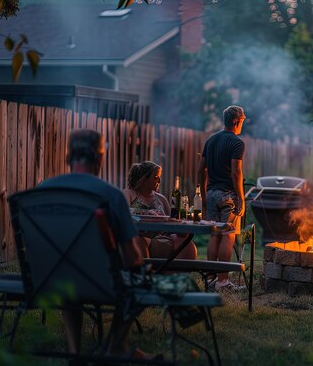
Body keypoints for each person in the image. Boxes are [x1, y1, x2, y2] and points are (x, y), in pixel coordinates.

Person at [37, 129, 148, 359]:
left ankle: (74, 352)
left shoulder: (43, 191)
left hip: (50, 278)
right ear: (99, 158)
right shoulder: (111, 196)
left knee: (68, 270)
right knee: (141, 277)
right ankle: (114, 347)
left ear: (69, 158)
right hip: (102, 282)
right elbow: (133, 258)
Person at [198, 105, 246, 292]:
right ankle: (223, 281)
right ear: (236, 121)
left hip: (211, 194)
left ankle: (210, 279)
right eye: (242, 120)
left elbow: (200, 169)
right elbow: (236, 173)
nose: (242, 123)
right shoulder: (237, 143)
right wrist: (241, 199)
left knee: (214, 235)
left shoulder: (211, 140)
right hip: (228, 196)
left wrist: (203, 196)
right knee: (228, 235)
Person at [122, 161, 197, 260]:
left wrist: (177, 224)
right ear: (144, 179)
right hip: (141, 235)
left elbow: (169, 220)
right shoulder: (129, 194)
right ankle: (145, 272)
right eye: (156, 177)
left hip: (163, 236)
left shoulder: (161, 199)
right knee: (137, 240)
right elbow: (124, 213)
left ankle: (176, 274)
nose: (159, 181)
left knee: (187, 244)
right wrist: (144, 214)